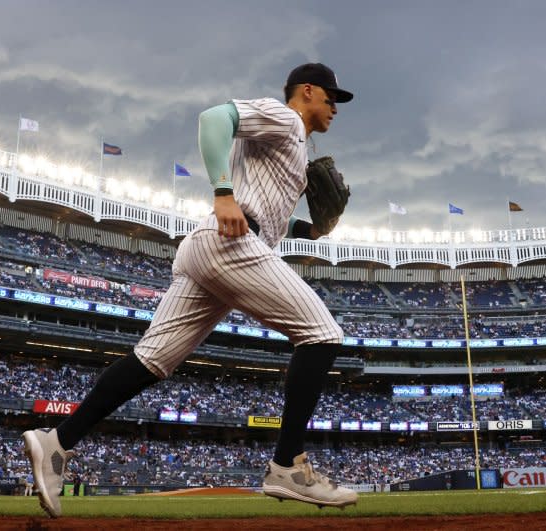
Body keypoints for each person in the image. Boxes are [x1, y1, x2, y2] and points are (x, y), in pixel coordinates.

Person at [22, 62, 357, 518]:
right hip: (231, 243)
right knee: (322, 335)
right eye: (331, 97)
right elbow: (214, 119)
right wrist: (222, 192)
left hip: (215, 248)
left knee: (151, 360)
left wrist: (309, 230)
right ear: (307, 91)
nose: (335, 107)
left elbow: (265, 206)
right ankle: (287, 466)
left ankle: (57, 442)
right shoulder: (284, 118)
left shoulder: (295, 145)